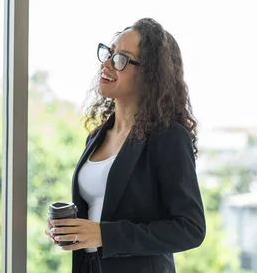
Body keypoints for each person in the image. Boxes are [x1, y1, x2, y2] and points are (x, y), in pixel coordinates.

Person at [45, 18, 205, 272]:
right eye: (109, 53)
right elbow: (102, 211)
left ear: (149, 74)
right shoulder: (97, 136)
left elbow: (191, 229)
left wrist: (104, 235)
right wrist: (71, 229)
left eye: (121, 59)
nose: (107, 64)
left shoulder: (168, 136)